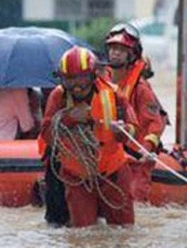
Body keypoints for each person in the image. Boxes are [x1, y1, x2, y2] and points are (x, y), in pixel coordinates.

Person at [40, 46, 138, 228]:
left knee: (124, 229)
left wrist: (122, 132)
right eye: (70, 80)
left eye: (82, 79)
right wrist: (68, 119)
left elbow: (133, 129)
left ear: (93, 76)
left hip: (113, 173)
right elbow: (46, 134)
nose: (76, 86)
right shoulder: (58, 97)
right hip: (77, 177)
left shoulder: (114, 94)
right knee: (83, 232)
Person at [104, 22, 167, 202]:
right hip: (108, 154)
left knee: (134, 201)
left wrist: (145, 151)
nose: (115, 53)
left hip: (136, 158)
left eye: (121, 50)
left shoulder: (141, 89)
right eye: (113, 48)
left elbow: (155, 125)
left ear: (131, 55)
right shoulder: (100, 82)